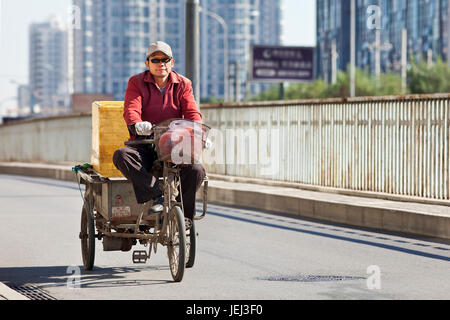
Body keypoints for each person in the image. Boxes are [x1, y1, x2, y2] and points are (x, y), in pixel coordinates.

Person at [113, 41, 206, 222]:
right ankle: (157, 195)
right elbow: (131, 109)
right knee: (121, 155)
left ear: (172, 62)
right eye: (155, 60)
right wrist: (137, 124)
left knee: (197, 170)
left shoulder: (183, 84)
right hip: (145, 143)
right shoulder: (136, 82)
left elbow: (192, 112)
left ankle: (183, 216)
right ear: (147, 63)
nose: (161, 64)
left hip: (174, 144)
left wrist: (198, 130)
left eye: (165, 59)